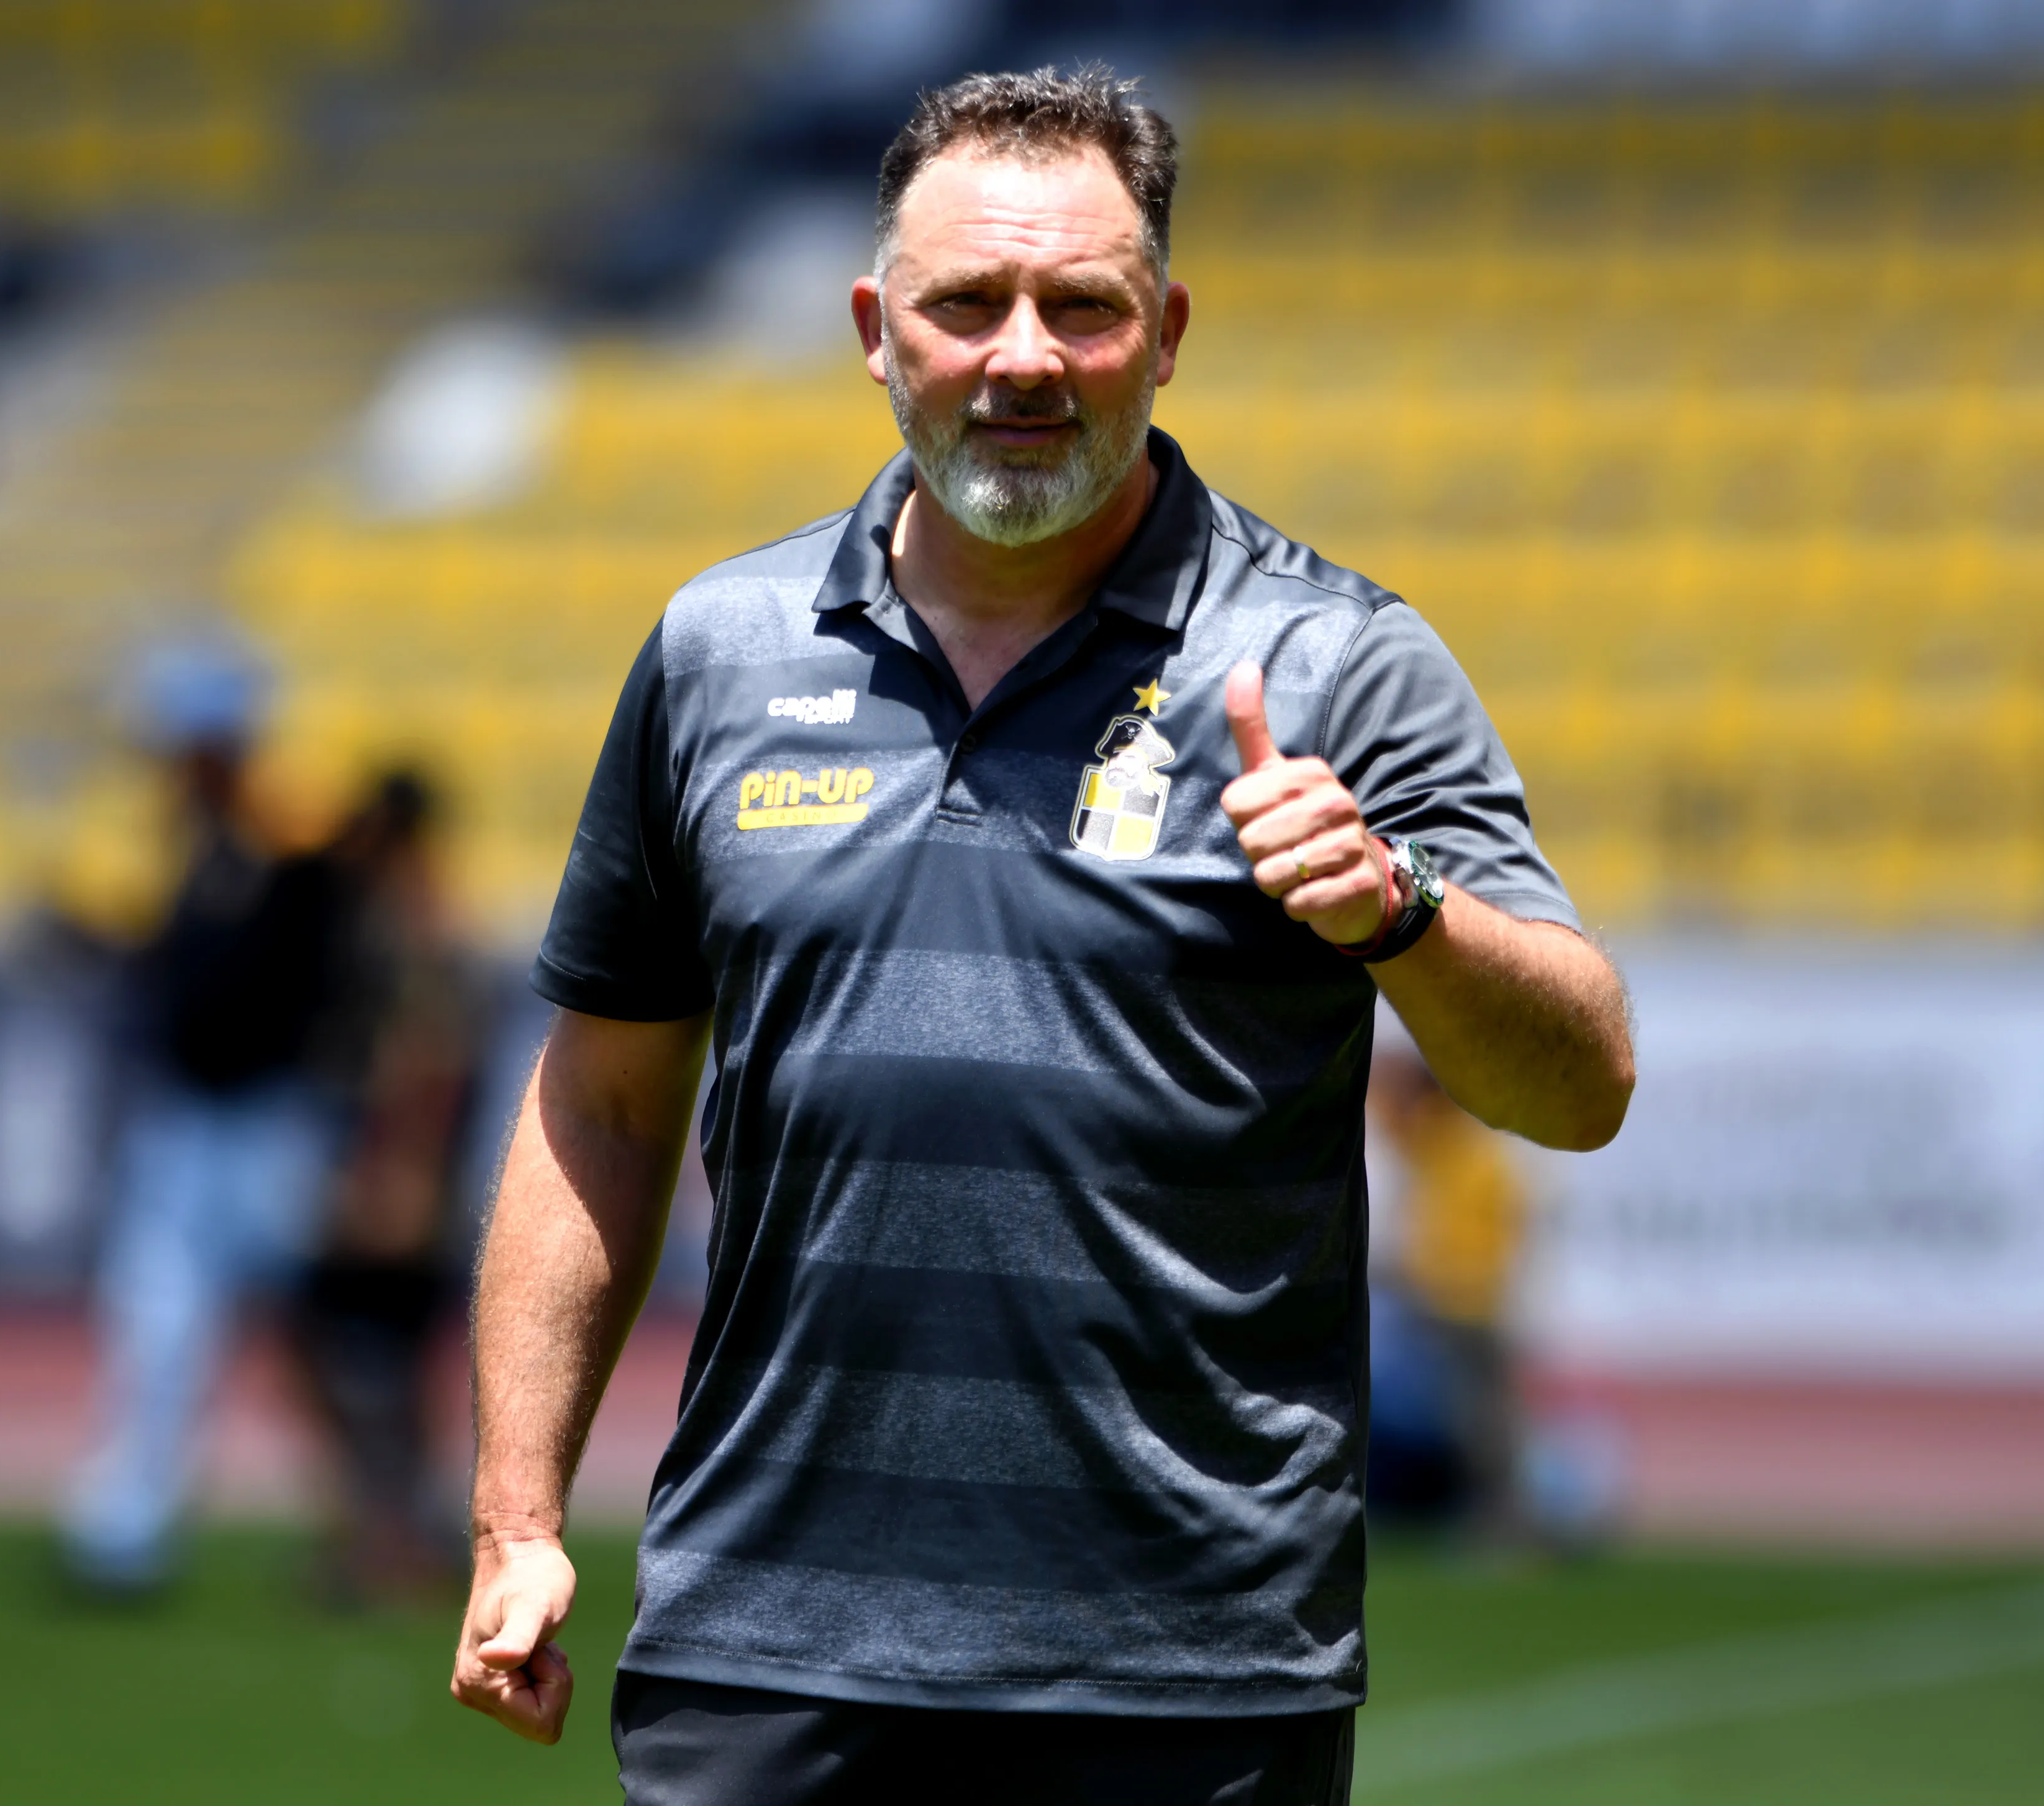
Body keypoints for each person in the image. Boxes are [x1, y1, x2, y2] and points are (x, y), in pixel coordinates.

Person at [447, 67, 1633, 1802]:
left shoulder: (1339, 663)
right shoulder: (717, 649)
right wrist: (517, 1511)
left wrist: (1405, 916)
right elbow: (603, 1108)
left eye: (1082, 305)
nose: (1021, 356)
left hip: (1185, 1670)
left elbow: (1581, 1079)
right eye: (965, 304)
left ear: (1165, 331)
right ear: (874, 326)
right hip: (763, 1648)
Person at [58, 638, 345, 1594]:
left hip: (268, 1119)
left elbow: (281, 982)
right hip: (190, 1120)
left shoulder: (281, 846)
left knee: (319, 1335)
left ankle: (376, 1526)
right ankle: (124, 1535)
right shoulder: (190, 847)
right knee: (157, 1327)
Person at [290, 771, 482, 1605]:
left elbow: (430, 1059)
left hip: (398, 1174)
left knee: (364, 1356)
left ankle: (393, 1536)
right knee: (378, 1359)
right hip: (396, 1166)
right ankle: (397, 1529)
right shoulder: (406, 918)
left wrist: (397, 1172)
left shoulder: (417, 925)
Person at [1365, 1027, 1529, 1540]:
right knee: (1475, 1420)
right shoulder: (1461, 1143)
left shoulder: (1456, 1146)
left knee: (1481, 1422)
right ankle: (1494, 1519)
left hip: (1465, 1300)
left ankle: (1502, 1522)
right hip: (1463, 1300)